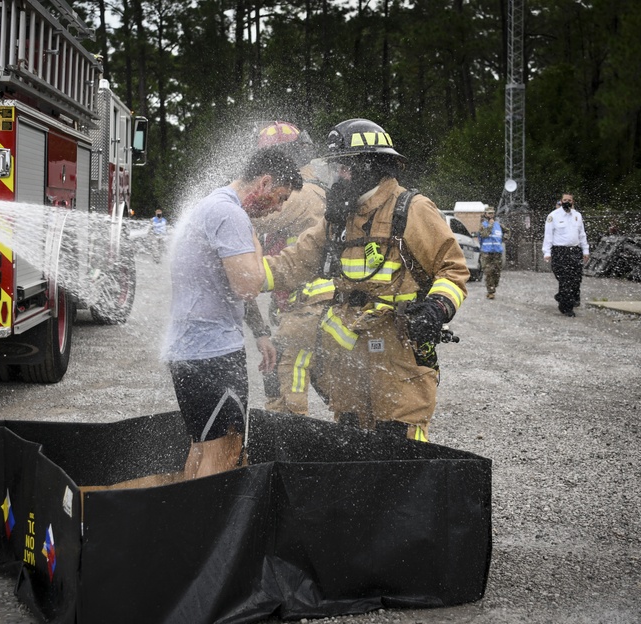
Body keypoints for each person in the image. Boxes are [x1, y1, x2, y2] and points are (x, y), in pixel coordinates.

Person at [263, 118, 468, 442]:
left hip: (400, 352)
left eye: (343, 167)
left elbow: (453, 269)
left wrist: (437, 308)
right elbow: (291, 264)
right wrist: (241, 275)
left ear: (370, 164)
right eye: (335, 169)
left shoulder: (411, 208)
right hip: (349, 358)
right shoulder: (340, 218)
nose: (337, 177)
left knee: (400, 446)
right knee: (352, 441)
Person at [164, 146, 303, 479]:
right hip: (213, 354)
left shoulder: (212, 205)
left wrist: (260, 332)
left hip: (191, 351)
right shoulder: (231, 214)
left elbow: (228, 285)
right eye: (281, 198)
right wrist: (256, 240)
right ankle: (211, 527)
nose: (278, 209)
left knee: (201, 449)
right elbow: (247, 285)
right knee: (225, 450)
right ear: (265, 183)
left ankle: (192, 523)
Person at [249, 121, 332, 416]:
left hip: (308, 304)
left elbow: (261, 217)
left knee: (288, 377)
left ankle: (295, 440)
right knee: (279, 375)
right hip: (294, 304)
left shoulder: (304, 192)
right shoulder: (302, 187)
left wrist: (232, 201)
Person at [542, 193, 589, 317]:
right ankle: (566, 306)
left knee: (576, 279)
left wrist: (585, 250)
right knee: (565, 279)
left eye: (569, 200)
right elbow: (548, 235)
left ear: (573, 202)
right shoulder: (553, 216)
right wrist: (547, 252)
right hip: (560, 252)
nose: (567, 202)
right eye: (564, 200)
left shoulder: (577, 216)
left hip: (575, 251)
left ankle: (565, 297)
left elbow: (582, 234)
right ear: (561, 201)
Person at [477, 205, 505, 299]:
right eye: (489, 213)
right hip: (486, 252)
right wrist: (490, 225)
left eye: (492, 213)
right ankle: (490, 291)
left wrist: (504, 238)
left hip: (497, 252)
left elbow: (507, 231)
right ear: (485, 214)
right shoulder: (483, 225)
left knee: (497, 272)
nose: (491, 215)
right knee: (488, 272)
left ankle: (494, 286)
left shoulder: (498, 225)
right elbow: (484, 235)